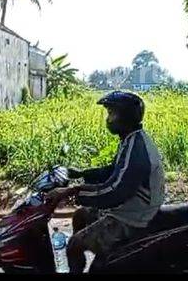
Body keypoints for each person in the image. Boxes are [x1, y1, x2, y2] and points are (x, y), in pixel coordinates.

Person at [45, 90, 165, 273]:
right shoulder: (131, 140)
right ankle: (104, 254)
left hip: (133, 214)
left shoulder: (137, 149)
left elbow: (115, 192)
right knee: (80, 216)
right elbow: (114, 170)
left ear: (125, 116)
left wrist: (73, 191)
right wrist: (82, 173)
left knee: (75, 244)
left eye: (112, 113)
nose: (108, 119)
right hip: (130, 205)